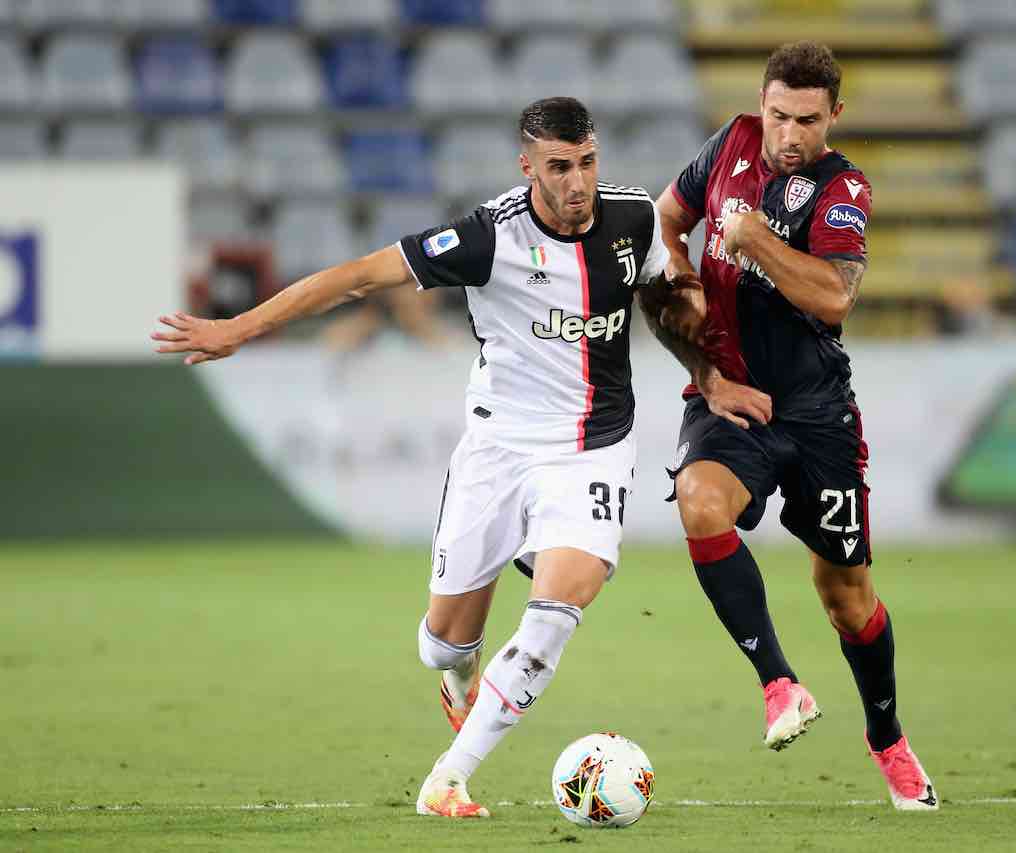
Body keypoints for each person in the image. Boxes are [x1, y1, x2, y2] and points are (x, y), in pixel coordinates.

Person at [152, 97, 678, 818]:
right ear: (528, 166)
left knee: (557, 609)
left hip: (594, 449)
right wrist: (241, 327)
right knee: (440, 643)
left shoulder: (635, 219)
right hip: (498, 449)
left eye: (587, 162)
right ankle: (459, 663)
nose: (578, 181)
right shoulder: (487, 237)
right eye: (559, 166)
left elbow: (670, 292)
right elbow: (360, 277)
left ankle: (449, 777)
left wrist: (715, 370)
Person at [641, 42, 938, 810]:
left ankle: (889, 740)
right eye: (779, 115)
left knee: (847, 597)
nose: (787, 134)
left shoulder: (843, 190)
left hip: (815, 414)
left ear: (833, 115)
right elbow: (668, 215)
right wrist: (679, 273)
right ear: (760, 104)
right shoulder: (729, 143)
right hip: (728, 395)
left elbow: (835, 298)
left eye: (806, 120)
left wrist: (755, 243)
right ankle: (778, 683)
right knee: (699, 500)